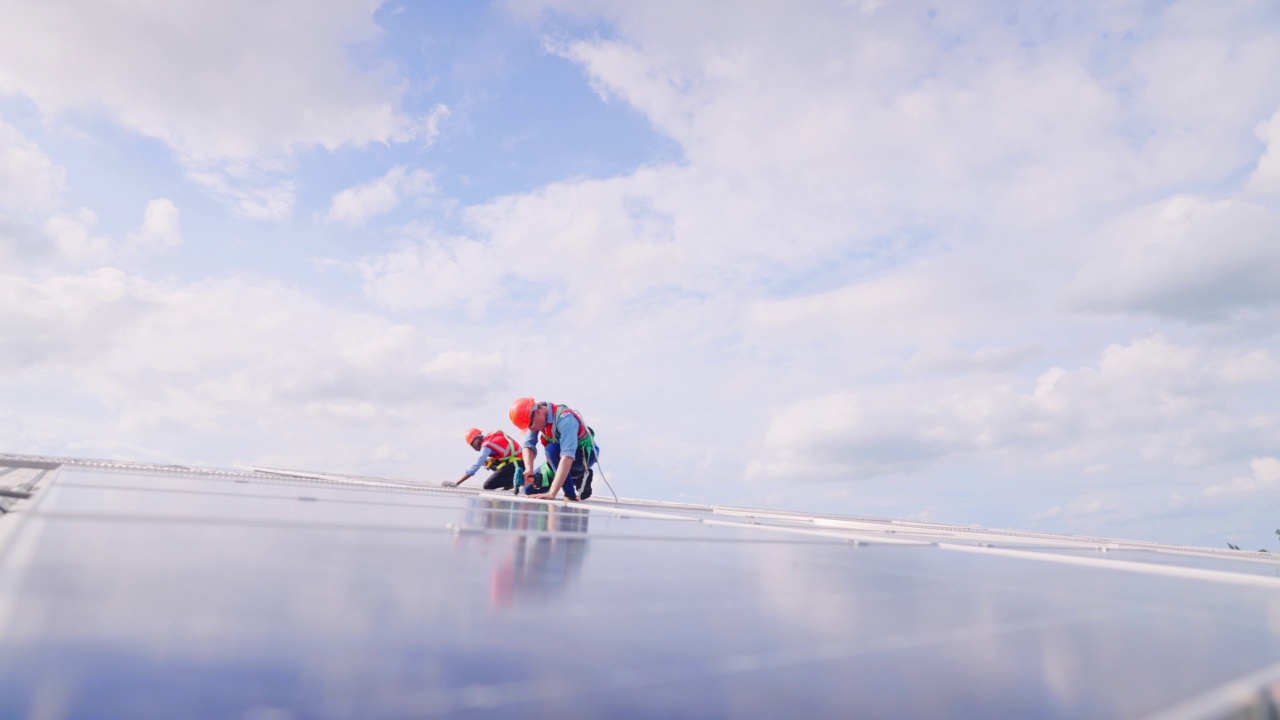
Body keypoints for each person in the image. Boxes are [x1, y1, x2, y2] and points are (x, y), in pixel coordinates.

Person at [508, 397, 599, 501]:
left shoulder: (565, 419)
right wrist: (529, 469)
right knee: (529, 489)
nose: (531, 429)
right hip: (560, 457)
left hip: (584, 456)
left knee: (551, 449)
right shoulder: (535, 417)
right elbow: (528, 445)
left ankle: (570, 493)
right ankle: (576, 478)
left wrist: (552, 493)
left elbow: (567, 457)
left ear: (538, 412)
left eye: (531, 425)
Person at [445, 428, 524, 491]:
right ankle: (509, 483)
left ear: (479, 438)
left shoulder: (486, 445)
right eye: (471, 445)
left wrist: (457, 483)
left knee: (488, 485)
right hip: (518, 462)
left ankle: (522, 478)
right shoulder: (490, 438)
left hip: (517, 463)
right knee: (486, 462)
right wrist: (489, 461)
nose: (474, 447)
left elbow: (475, 466)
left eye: (474, 443)